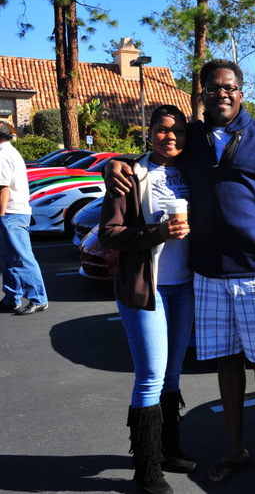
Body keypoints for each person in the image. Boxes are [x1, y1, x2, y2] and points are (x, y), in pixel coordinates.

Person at [106, 59, 255, 489]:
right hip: (208, 277)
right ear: (203, 95)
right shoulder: (192, 137)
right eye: (213, 89)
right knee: (226, 363)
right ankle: (235, 449)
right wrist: (115, 164)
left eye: (229, 87)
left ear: (241, 92)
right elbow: (159, 148)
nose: (222, 95)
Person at [99, 105, 196, 494]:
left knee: (173, 375)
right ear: (149, 132)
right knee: (151, 376)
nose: (170, 137)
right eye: (162, 130)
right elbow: (109, 233)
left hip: (184, 287)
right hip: (146, 289)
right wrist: (158, 233)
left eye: (178, 131)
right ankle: (147, 468)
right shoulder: (130, 174)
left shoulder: (191, 171)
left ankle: (168, 449)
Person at [0, 122, 48, 315]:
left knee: (21, 258)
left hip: (11, 213)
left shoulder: (3, 155)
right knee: (10, 259)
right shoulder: (9, 152)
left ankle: (39, 299)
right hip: (14, 213)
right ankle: (11, 298)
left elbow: (3, 189)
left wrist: (1, 215)